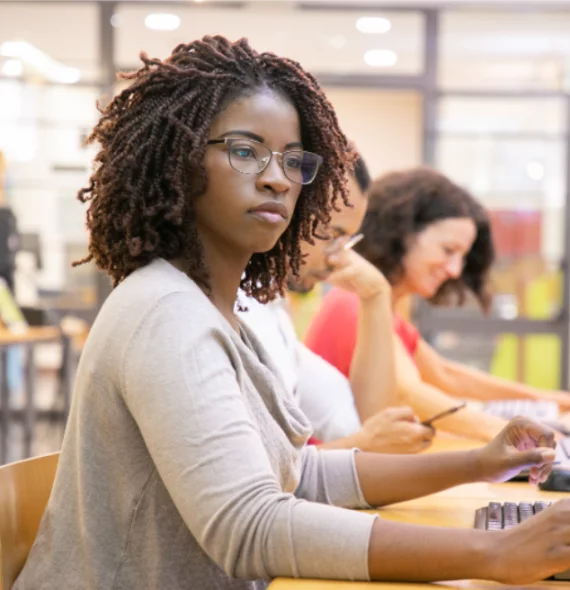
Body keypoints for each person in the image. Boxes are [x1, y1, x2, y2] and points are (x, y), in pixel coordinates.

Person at [13, 36, 570, 589]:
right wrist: (492, 551)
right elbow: (250, 526)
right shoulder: (164, 312)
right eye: (245, 150)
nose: (278, 177)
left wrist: (478, 463)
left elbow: (297, 475)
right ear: (178, 160)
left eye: (292, 160)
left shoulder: (216, 310)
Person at [305, 167, 570, 442]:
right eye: (448, 250)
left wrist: (552, 399)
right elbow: (407, 391)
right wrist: (516, 434)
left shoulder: (386, 312)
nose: (455, 270)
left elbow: (445, 374)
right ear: (403, 234)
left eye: (462, 257)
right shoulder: (355, 301)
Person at [240, 154, 435, 453]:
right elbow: (247, 474)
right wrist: (363, 443)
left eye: (346, 242)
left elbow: (361, 422)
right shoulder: (234, 309)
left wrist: (376, 295)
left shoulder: (271, 312)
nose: (337, 257)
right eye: (333, 235)